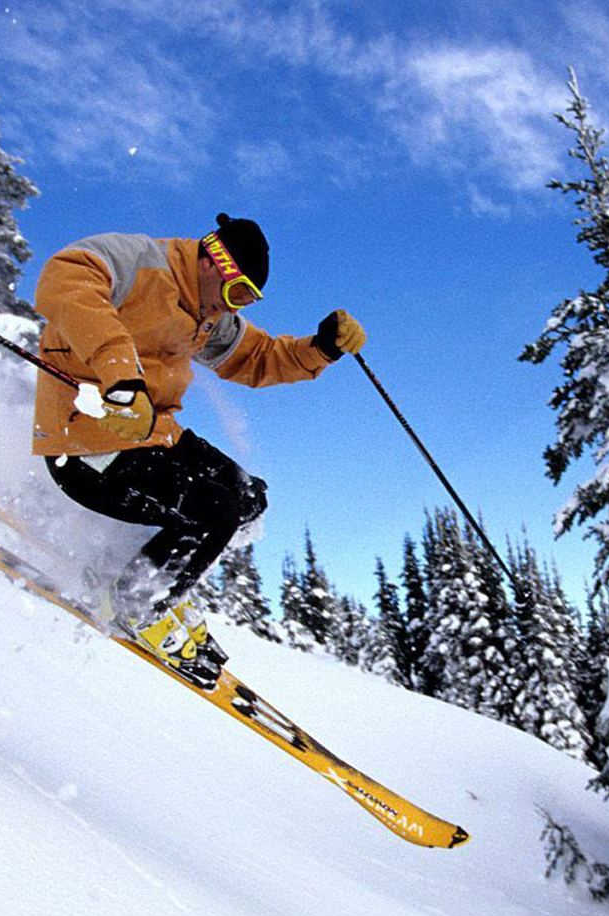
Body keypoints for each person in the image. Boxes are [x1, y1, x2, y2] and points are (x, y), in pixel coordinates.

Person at [31, 213, 366, 686]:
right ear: (214, 261)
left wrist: (322, 349)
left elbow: (257, 357)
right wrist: (119, 375)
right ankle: (134, 602)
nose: (236, 308)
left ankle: (148, 574)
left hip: (151, 435)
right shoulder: (141, 263)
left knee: (247, 497)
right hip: (87, 438)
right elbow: (65, 276)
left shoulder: (207, 317)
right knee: (215, 510)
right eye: (237, 293)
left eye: (248, 300)